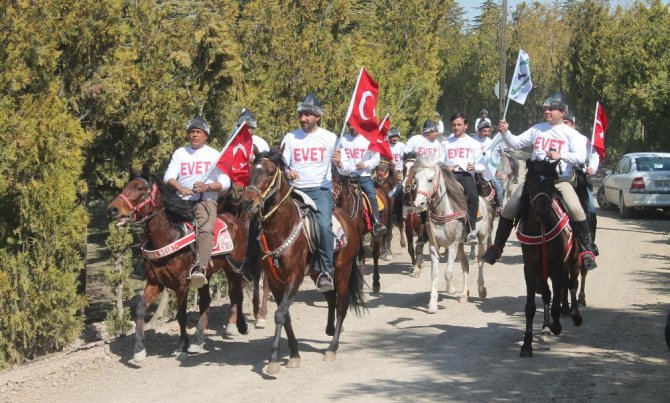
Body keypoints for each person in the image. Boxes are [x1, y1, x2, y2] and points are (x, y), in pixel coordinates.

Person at [481, 93, 597, 270]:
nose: (547, 112)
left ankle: (586, 251)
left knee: (576, 210)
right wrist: (506, 132)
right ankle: (497, 248)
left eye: (551, 109)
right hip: (534, 181)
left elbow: (581, 156)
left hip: (559, 181)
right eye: (545, 109)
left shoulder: (572, 134)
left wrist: (561, 155)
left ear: (562, 112)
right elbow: (516, 143)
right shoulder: (537, 129)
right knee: (510, 207)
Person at [281, 93, 343, 292]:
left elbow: (345, 168)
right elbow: (283, 163)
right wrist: (287, 171)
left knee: (324, 226)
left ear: (317, 116)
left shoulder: (330, 138)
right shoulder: (290, 137)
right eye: (300, 114)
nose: (302, 119)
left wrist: (339, 162)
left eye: (307, 115)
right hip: (293, 190)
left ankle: (325, 270)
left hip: (319, 190)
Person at [164, 115, 231, 288]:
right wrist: (180, 188)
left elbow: (225, 182)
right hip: (181, 200)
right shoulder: (180, 153)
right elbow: (168, 177)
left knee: (206, 228)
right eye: (191, 132)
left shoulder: (214, 155)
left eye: (198, 132)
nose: (194, 135)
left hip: (205, 200)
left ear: (205, 135)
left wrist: (207, 187)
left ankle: (200, 268)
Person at [442, 112, 484, 245]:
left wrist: (475, 166)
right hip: (449, 175)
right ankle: (427, 228)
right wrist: (445, 167)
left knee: (473, 197)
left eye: (459, 124)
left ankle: (470, 230)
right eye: (454, 125)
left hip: (465, 175)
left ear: (466, 126)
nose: (456, 127)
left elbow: (483, 165)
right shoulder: (445, 143)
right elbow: (438, 161)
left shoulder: (473, 143)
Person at [338, 125, 387, 237]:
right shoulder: (343, 139)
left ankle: (377, 223)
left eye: (354, 124)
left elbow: (376, 158)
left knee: (372, 196)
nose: (351, 127)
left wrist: (366, 164)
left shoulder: (368, 140)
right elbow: (339, 158)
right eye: (350, 124)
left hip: (363, 177)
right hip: (346, 177)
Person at [564, 113, 600, 255]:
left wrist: (592, 167)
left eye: (568, 122)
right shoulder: (555, 136)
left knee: (590, 209)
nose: (565, 125)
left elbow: (594, 155)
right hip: (560, 178)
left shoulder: (583, 139)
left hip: (581, 178)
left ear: (573, 125)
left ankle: (589, 242)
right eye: (563, 122)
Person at [473, 119, 505, 209]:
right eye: (484, 131)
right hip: (473, 170)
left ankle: (499, 206)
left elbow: (494, 157)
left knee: (499, 188)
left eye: (488, 131)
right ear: (479, 130)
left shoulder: (491, 142)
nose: (486, 133)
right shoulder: (472, 141)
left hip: (487, 170)